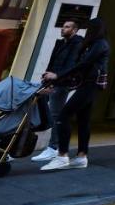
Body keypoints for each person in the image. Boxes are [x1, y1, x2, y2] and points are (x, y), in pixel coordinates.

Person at [40, 18, 110, 172]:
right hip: (88, 85)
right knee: (83, 120)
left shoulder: (100, 44)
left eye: (89, 28)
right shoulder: (96, 44)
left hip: (90, 85)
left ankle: (62, 155)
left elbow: (83, 64)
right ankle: (81, 157)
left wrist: (57, 76)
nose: (86, 32)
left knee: (63, 115)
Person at [32, 20, 84, 162]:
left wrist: (57, 76)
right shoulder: (61, 43)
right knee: (39, 108)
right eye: (63, 26)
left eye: (67, 27)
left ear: (74, 30)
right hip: (52, 82)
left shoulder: (78, 44)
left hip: (63, 83)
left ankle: (54, 147)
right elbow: (53, 62)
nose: (63, 29)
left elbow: (72, 64)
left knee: (56, 114)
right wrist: (47, 77)